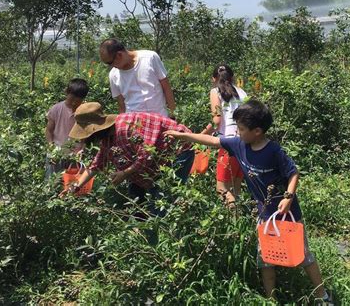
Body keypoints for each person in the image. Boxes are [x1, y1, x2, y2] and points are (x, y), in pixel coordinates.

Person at [164, 100, 332, 303]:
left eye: (241, 129)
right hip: (263, 215)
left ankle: (322, 296)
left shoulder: (274, 151)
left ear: (258, 131)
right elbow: (213, 141)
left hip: (288, 214)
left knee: (303, 255)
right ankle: (271, 299)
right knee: (266, 258)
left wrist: (288, 198)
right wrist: (183, 135)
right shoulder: (238, 144)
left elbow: (293, 173)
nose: (238, 133)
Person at [61, 102, 194, 217]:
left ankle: (167, 235)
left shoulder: (125, 129)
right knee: (140, 197)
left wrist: (124, 173)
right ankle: (146, 232)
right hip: (159, 157)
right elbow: (97, 165)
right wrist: (75, 187)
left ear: (95, 130)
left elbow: (146, 155)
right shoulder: (107, 138)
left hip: (180, 149)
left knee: (162, 200)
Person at [202, 65, 247, 207]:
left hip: (227, 144)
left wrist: (200, 135)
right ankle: (239, 222)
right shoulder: (242, 92)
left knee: (222, 189)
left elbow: (216, 121)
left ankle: (231, 224)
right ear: (232, 78)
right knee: (236, 188)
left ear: (213, 79)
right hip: (244, 143)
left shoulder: (215, 92)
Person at [99, 38, 176, 117]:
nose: (111, 66)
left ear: (119, 55)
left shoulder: (150, 58)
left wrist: (173, 115)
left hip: (160, 118)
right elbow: (121, 104)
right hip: (134, 123)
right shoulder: (113, 75)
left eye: (110, 62)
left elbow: (166, 87)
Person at [45, 78, 89, 178]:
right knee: (52, 183)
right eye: (72, 99)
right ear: (66, 92)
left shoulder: (84, 112)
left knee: (72, 185)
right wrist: (51, 147)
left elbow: (85, 133)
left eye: (77, 101)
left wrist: (82, 148)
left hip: (75, 155)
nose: (73, 103)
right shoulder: (56, 109)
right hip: (57, 153)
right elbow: (49, 130)